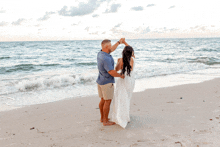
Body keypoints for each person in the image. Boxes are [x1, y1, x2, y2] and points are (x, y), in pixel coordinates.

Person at [96, 38, 125, 126]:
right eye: (110, 45)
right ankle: (105, 121)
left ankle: (102, 118)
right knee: (107, 101)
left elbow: (112, 49)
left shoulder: (101, 53)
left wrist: (119, 42)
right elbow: (111, 72)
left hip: (100, 80)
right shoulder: (106, 58)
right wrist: (120, 75)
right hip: (107, 82)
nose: (112, 47)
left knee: (103, 100)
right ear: (107, 46)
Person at [111, 39, 136, 129]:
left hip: (123, 80)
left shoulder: (121, 60)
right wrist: (125, 43)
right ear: (131, 53)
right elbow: (131, 51)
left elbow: (116, 69)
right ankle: (126, 116)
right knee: (127, 97)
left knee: (121, 98)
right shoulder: (133, 59)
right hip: (131, 81)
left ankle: (121, 116)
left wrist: (118, 62)